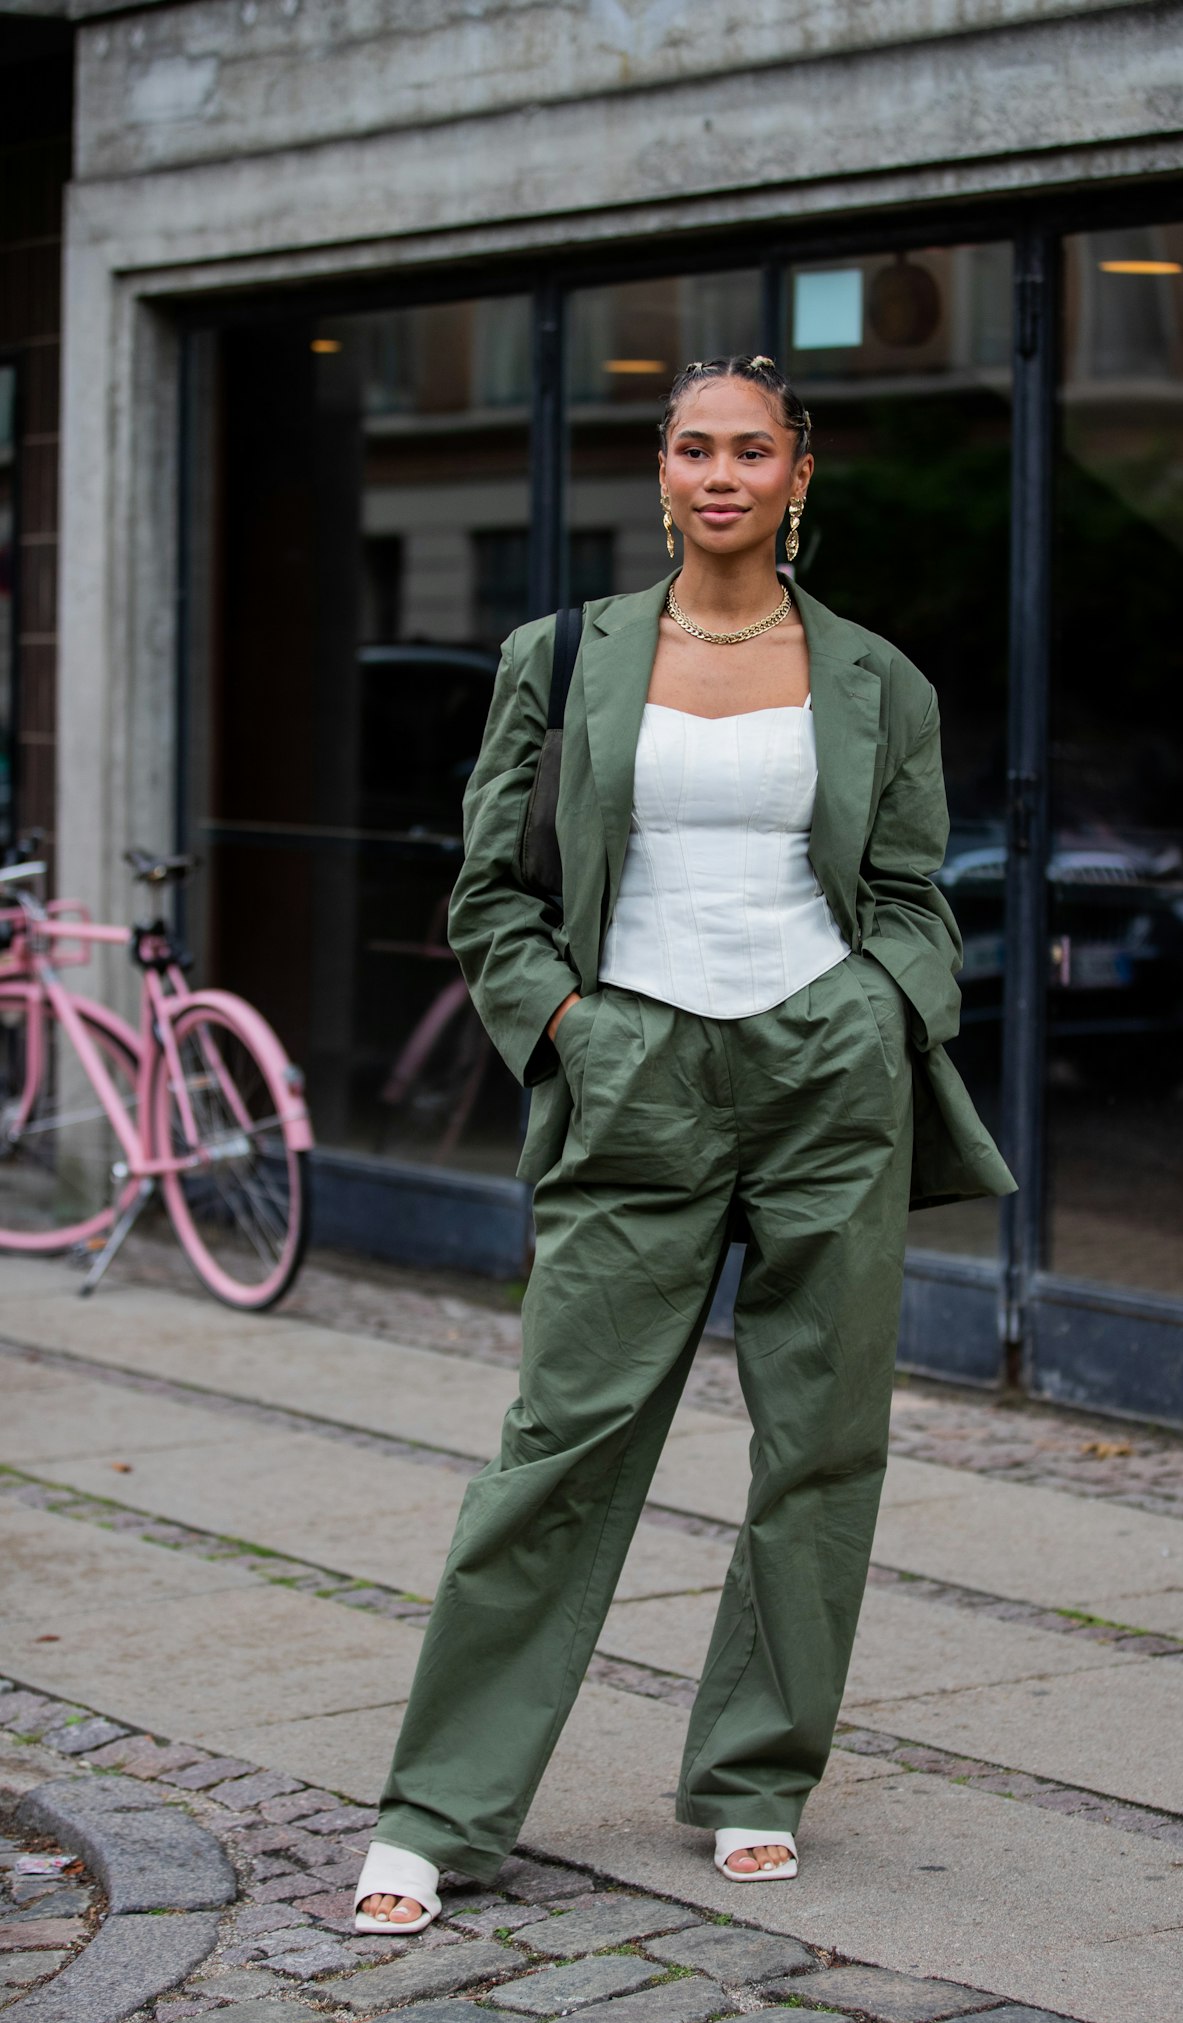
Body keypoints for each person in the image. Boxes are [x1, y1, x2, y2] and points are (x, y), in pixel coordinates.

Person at [354, 353, 1014, 1932]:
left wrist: (872, 1017)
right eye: (696, 446)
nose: (723, 472)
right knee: (559, 1447)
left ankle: (753, 1776)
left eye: (755, 450)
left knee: (822, 1445)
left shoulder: (876, 679)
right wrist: (576, 1031)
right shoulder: (560, 656)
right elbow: (490, 896)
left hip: (822, 1079)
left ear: (800, 477)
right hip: (632, 1069)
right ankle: (439, 1810)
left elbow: (920, 898)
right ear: (660, 473)